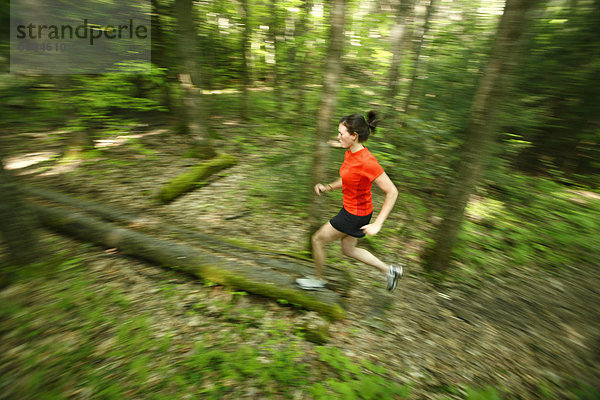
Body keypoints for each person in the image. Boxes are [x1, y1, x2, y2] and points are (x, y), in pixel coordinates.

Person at [297, 111, 403, 292]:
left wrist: (378, 224)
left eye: (341, 133)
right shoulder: (350, 154)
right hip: (359, 211)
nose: (338, 136)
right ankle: (389, 271)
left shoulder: (367, 161)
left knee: (317, 239)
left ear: (354, 136)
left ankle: (318, 280)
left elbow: (392, 191)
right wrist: (328, 187)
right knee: (348, 250)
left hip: (353, 214)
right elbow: (348, 179)